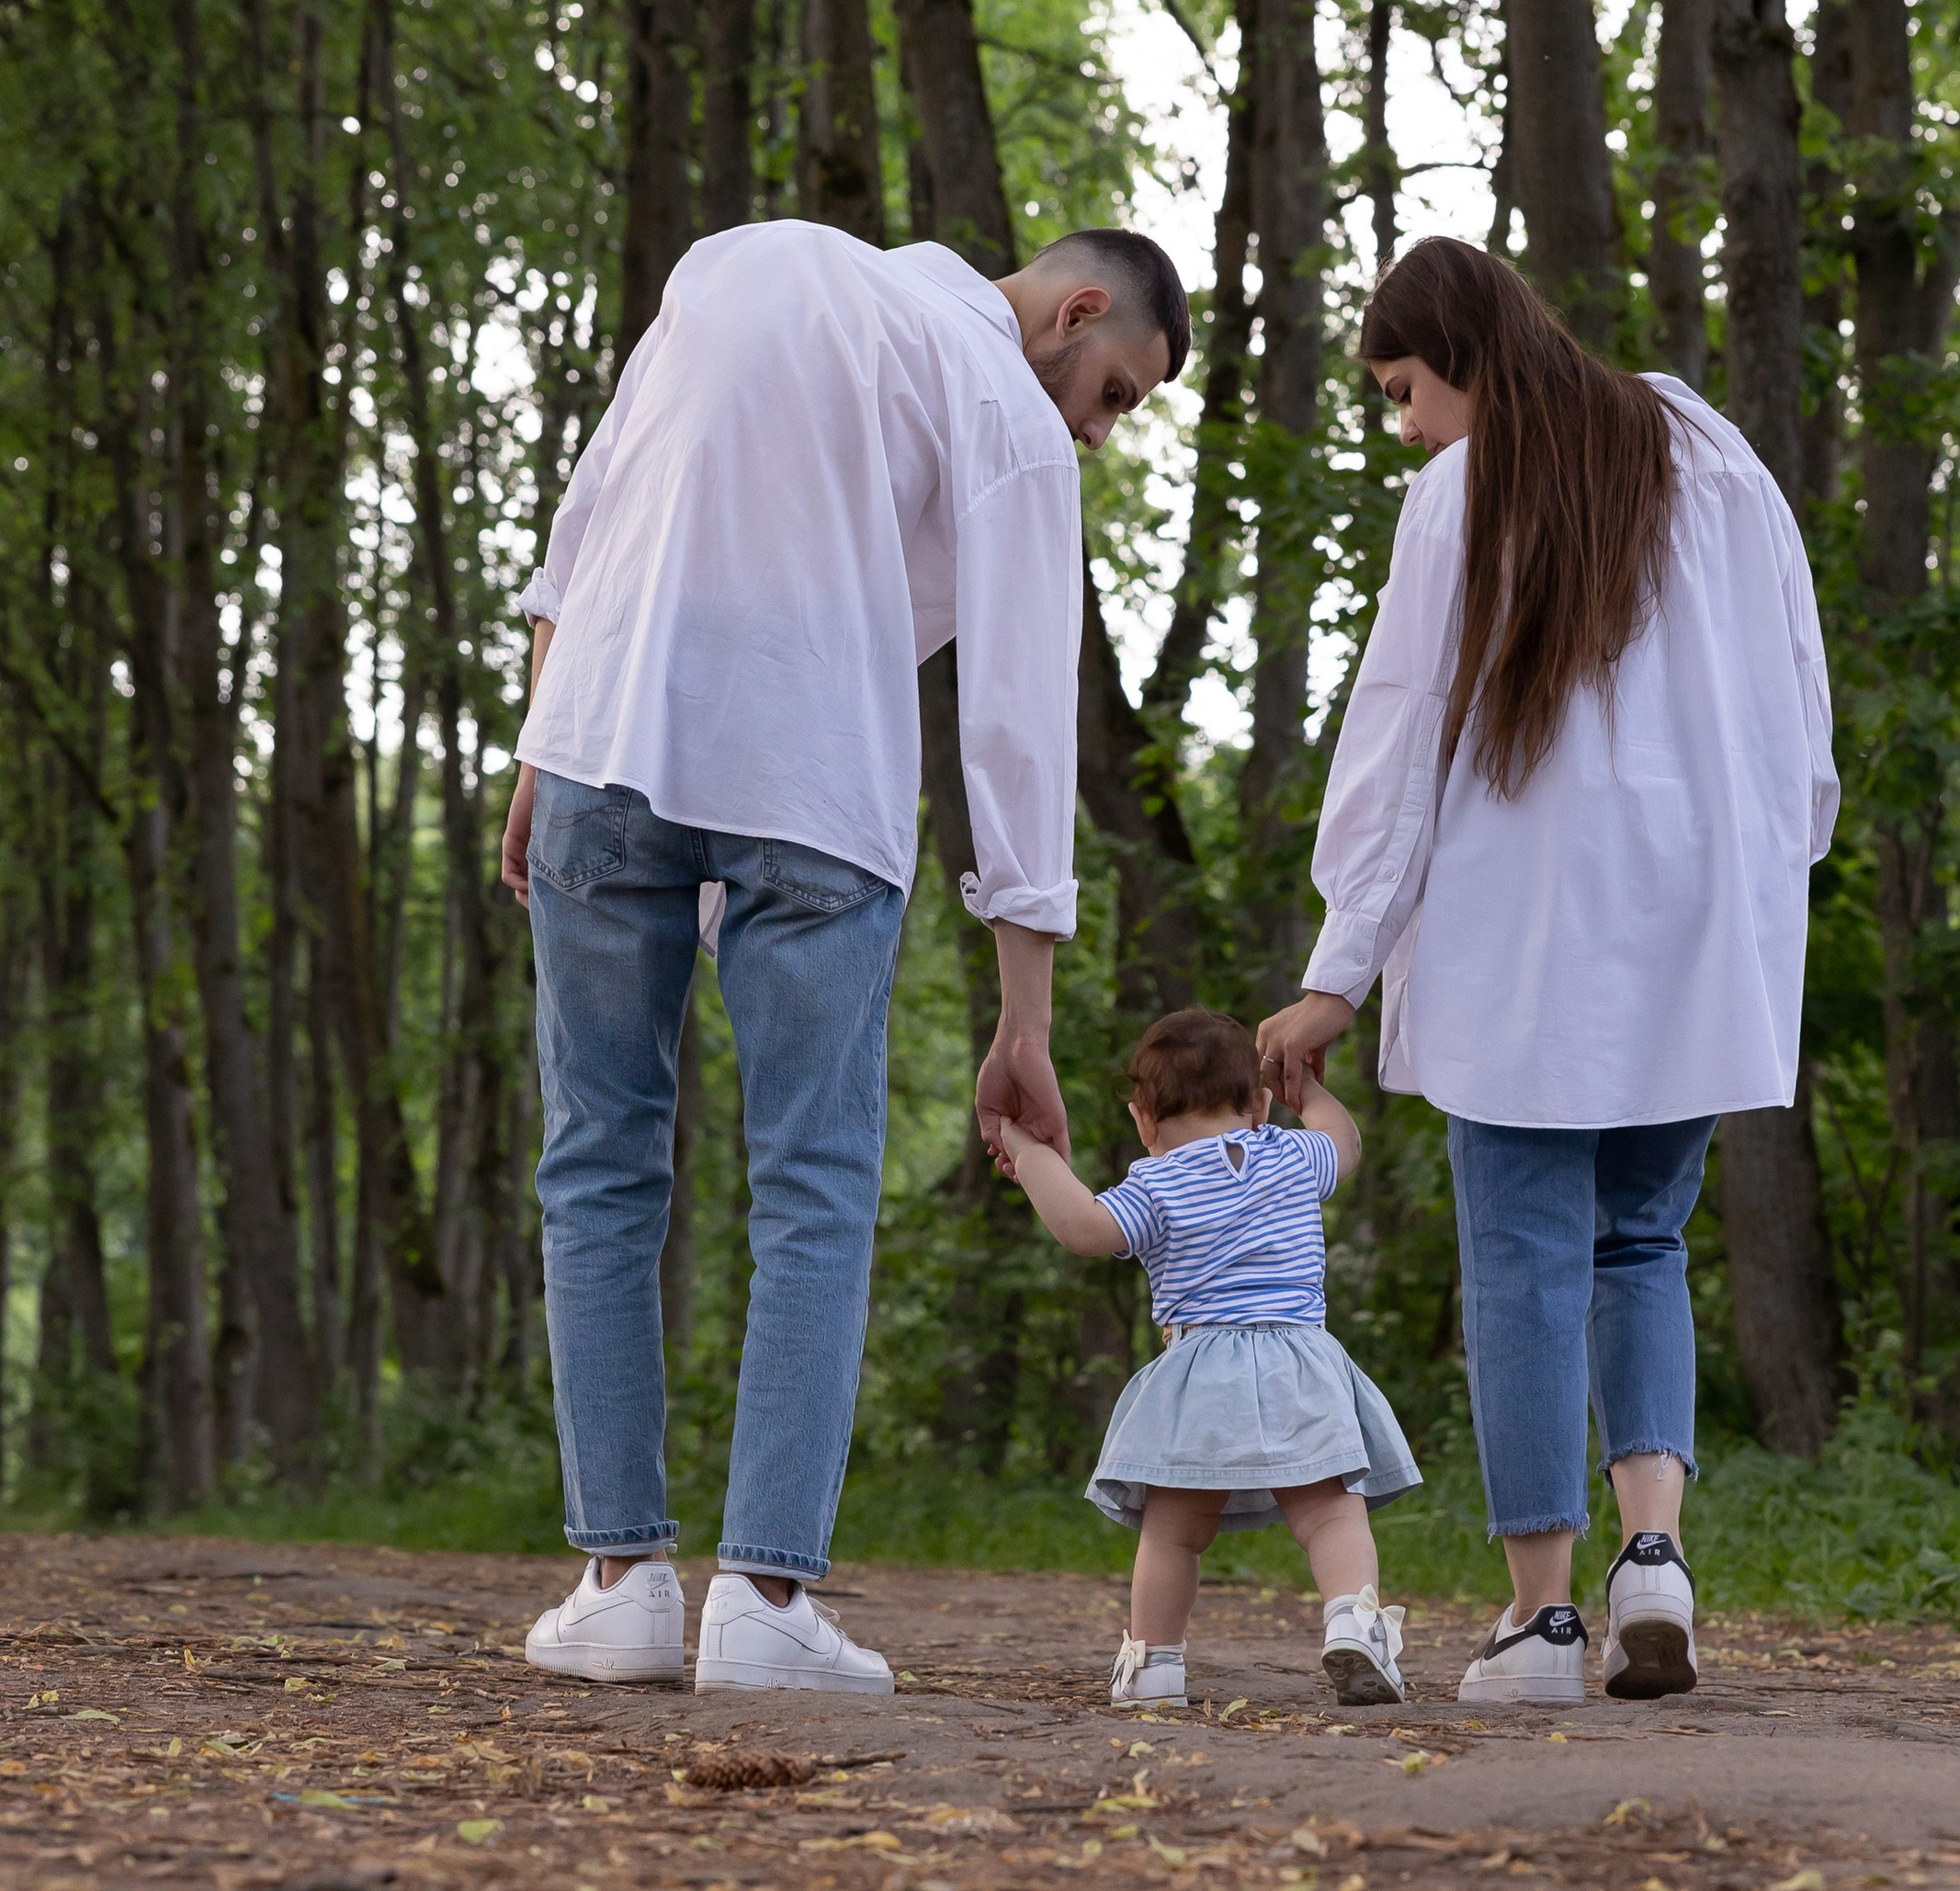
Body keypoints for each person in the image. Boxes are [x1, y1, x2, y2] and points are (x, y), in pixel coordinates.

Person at [503, 219, 1189, 1698]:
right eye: (1117, 392)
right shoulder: (1006, 407)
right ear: (1075, 311)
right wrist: (1026, 1017)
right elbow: (1012, 719)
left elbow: (594, 507)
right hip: (814, 787)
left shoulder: (735, 259)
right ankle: (763, 1598)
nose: (1099, 426)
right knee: (812, 1182)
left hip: (599, 743)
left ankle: (620, 1584)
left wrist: (539, 741)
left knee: (598, 1162)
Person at [1259, 237, 1837, 1710]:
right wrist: (1775, 882)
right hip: (1702, 926)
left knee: (1521, 1260)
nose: (1404, 427)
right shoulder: (1715, 457)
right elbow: (1801, 702)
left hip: (1527, 934)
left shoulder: (1464, 495)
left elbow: (1399, 747)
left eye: (1403, 390)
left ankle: (1542, 1623)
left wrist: (1341, 970)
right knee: (1641, 1241)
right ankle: (1657, 1551)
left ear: (1460, 352)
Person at [997, 1005, 1420, 1708]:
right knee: (1331, 1514)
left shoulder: (1155, 1184)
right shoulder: (1290, 1153)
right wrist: (1306, 1092)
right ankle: (1355, 1620)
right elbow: (1345, 1142)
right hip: (1302, 1362)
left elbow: (1082, 1227)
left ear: (1142, 1119)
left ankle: (1155, 1662)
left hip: (1203, 1370)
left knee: (1174, 1531)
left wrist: (1028, 1147)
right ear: (1258, 1104)